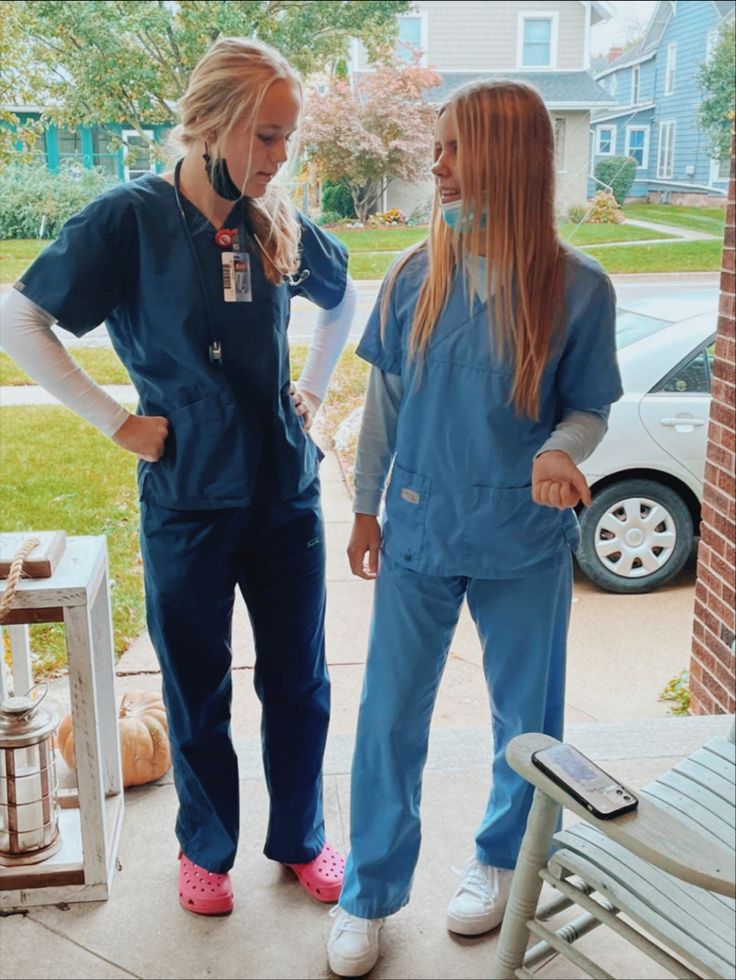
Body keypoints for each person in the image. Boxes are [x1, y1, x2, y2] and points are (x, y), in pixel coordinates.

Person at [1, 37, 357, 917]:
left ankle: (303, 837)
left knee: (299, 680)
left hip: (283, 492)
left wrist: (310, 389)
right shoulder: (128, 220)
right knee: (195, 682)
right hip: (187, 496)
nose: (281, 159)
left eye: (288, 139)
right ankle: (206, 850)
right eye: (268, 138)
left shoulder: (278, 222)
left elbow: (345, 297)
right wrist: (116, 421)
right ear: (212, 125)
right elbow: (20, 317)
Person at [326, 79, 622, 976]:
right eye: (438, 147)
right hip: (419, 525)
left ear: (507, 156)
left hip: (522, 537)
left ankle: (500, 860)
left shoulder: (579, 288)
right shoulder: (416, 274)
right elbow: (383, 406)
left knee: (526, 721)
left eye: (455, 148)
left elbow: (589, 410)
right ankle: (368, 891)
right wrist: (368, 508)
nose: (438, 165)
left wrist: (564, 450)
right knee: (387, 719)